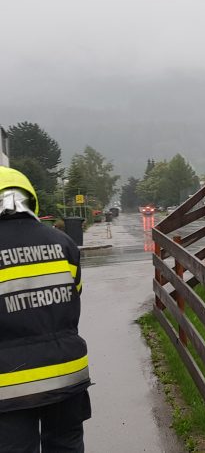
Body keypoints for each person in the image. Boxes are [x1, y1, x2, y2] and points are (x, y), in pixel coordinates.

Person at [0, 167, 91, 452]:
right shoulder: (63, 242)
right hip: (67, 373)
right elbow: (74, 295)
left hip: (10, 384)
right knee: (66, 445)